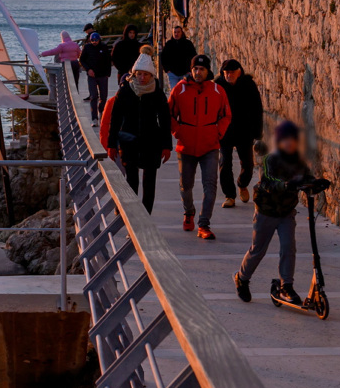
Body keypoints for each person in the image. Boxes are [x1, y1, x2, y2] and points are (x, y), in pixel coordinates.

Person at [234, 121, 319, 306]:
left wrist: (317, 183)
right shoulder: (270, 160)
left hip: (286, 212)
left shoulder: (298, 162)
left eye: (292, 140)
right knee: (258, 250)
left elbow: (306, 177)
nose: (289, 143)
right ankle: (242, 278)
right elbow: (268, 181)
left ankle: (286, 285)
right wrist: (286, 185)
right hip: (267, 211)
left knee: (288, 247)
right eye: (285, 140)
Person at [168, 54, 230, 239]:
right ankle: (189, 212)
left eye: (201, 69)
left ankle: (204, 224)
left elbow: (226, 115)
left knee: (210, 186)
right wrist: (178, 131)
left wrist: (218, 132)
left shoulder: (218, 90)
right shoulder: (180, 89)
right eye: (195, 69)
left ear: (207, 71)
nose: (197, 72)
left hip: (210, 145)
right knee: (185, 186)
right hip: (186, 146)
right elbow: (169, 114)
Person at [105, 54, 171, 213]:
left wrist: (167, 146)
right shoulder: (125, 91)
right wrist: (111, 144)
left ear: (151, 75)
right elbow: (115, 119)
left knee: (149, 182)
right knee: (131, 180)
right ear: (134, 74)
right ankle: (133, 215)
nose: (142, 77)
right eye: (139, 74)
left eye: (146, 74)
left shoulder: (157, 93)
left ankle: (146, 215)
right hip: (129, 141)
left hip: (152, 142)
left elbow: (165, 120)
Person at [216, 59, 264, 208]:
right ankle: (229, 195)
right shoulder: (218, 86)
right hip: (225, 131)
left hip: (244, 130)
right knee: (225, 163)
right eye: (226, 72)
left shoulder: (248, 84)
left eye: (232, 72)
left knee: (248, 164)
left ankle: (242, 184)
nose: (229, 75)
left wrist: (257, 132)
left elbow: (257, 109)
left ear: (239, 72)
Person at [79, 31, 113, 120]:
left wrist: (108, 74)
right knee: (93, 96)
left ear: (99, 40)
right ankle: (94, 118)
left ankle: (101, 111)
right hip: (92, 76)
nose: (94, 42)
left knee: (103, 96)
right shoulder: (87, 47)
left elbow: (108, 61)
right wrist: (88, 69)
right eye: (92, 40)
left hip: (103, 75)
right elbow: (82, 60)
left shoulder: (104, 47)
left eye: (96, 40)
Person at [159, 24, 197, 92]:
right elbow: (163, 58)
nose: (176, 34)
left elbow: (194, 57)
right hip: (172, 74)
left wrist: (190, 70)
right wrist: (167, 70)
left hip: (186, 73)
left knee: (185, 92)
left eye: (178, 32)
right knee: (174, 92)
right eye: (175, 32)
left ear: (181, 32)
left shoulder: (188, 44)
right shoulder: (169, 44)